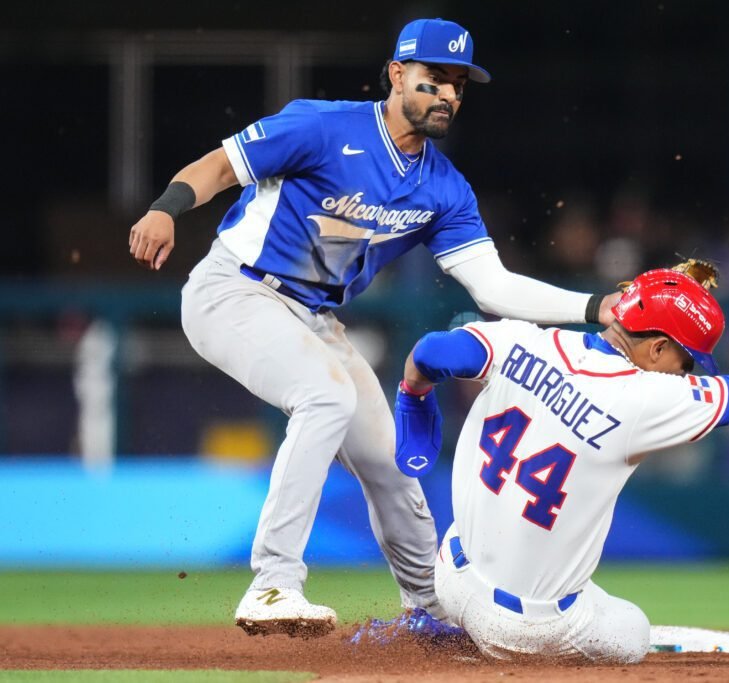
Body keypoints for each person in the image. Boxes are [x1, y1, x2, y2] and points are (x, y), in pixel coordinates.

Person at [127, 17, 619, 638]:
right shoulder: (322, 126)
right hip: (235, 289)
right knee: (324, 396)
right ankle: (273, 584)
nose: (447, 95)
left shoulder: (444, 188)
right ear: (396, 73)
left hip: (313, 317)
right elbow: (221, 167)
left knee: (390, 461)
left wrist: (596, 307)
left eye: (458, 85)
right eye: (434, 79)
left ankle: (432, 610)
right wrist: (166, 208)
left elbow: (493, 288)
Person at [387, 259, 729, 662]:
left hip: (451, 576)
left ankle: (438, 623)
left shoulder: (525, 339)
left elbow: (436, 349)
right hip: (522, 631)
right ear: (658, 348)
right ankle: (490, 649)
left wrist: (413, 395)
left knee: (558, 579)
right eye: (686, 359)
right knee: (631, 631)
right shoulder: (644, 399)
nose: (687, 372)